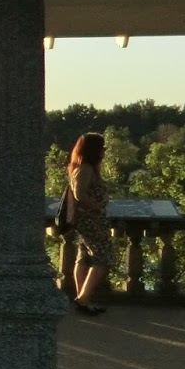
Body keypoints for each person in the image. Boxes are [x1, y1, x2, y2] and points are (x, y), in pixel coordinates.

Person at [66, 132, 115, 317]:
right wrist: (97, 208)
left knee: (85, 257)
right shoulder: (85, 168)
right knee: (104, 257)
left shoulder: (83, 168)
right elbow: (80, 194)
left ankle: (83, 300)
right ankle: (83, 298)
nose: (104, 150)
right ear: (94, 150)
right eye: (102, 147)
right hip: (91, 221)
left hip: (87, 221)